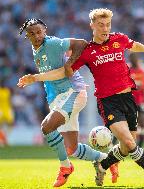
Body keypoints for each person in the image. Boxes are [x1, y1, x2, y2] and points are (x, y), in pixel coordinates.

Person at [21, 9, 144, 188]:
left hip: (129, 99)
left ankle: (102, 164)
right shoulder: (88, 52)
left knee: (125, 147)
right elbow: (65, 70)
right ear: (92, 25)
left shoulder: (118, 39)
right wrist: (59, 69)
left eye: (107, 24)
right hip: (108, 102)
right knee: (130, 144)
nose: (105, 28)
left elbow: (131, 44)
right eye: (100, 25)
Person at [17, 18, 117, 187]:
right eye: (32, 34)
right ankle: (107, 160)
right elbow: (56, 73)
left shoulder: (53, 43)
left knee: (47, 127)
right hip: (58, 97)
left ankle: (65, 167)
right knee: (72, 149)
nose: (37, 36)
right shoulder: (37, 50)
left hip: (73, 92)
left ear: (45, 30)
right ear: (27, 36)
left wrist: (70, 64)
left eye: (39, 31)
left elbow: (82, 43)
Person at [129, 53, 144, 147]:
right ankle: (114, 144)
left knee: (143, 124)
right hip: (128, 102)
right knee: (125, 124)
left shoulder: (142, 73)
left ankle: (140, 147)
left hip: (139, 102)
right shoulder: (127, 71)